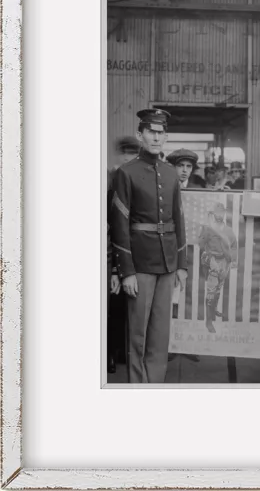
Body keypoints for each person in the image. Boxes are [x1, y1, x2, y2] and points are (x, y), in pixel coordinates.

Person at [110, 108, 188, 384]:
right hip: (140, 263)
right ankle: (137, 389)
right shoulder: (125, 173)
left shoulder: (169, 173)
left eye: (161, 133)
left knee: (159, 333)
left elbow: (178, 218)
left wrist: (182, 264)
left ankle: (155, 386)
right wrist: (126, 271)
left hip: (168, 262)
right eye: (151, 132)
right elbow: (119, 224)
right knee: (138, 334)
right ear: (140, 135)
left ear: (165, 137)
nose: (156, 137)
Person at [107, 136, 140, 374]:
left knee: (129, 305)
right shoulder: (109, 180)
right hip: (113, 248)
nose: (127, 157)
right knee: (113, 305)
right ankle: (110, 352)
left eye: (131, 153)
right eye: (124, 153)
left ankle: (123, 351)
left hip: (134, 249)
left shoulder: (136, 179)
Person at [198, 202, 238, 333]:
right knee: (211, 292)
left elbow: (233, 245)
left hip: (224, 262)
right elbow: (201, 245)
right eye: (217, 212)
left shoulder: (228, 230)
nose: (219, 215)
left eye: (222, 212)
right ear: (213, 213)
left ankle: (213, 311)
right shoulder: (207, 228)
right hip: (212, 261)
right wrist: (209, 260)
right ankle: (208, 322)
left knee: (218, 289)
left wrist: (233, 260)